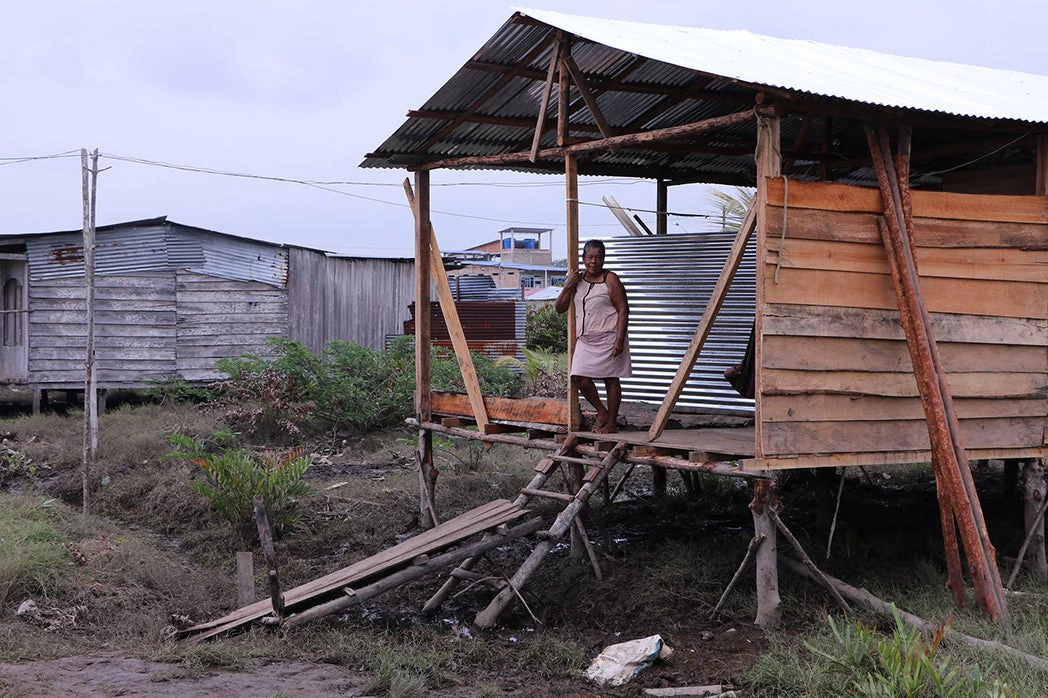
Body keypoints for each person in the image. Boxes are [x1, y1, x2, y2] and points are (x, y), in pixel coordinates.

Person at [555, 239, 631, 434]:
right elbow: (559, 308)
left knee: (611, 380)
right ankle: (601, 411)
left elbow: (623, 309)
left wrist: (619, 339)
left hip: (609, 337)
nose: (594, 262)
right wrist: (568, 285)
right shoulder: (577, 281)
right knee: (581, 378)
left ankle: (612, 423)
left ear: (604, 259)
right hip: (586, 340)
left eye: (598, 258)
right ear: (583, 259)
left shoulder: (610, 279)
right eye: (590, 257)